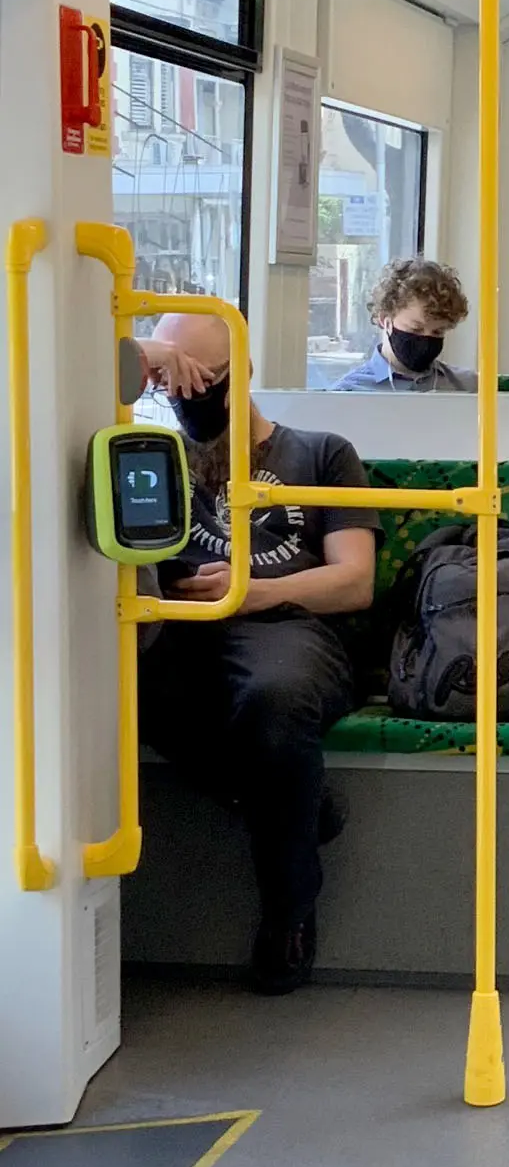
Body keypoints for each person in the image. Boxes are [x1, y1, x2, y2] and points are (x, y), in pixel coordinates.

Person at [137, 314, 381, 994]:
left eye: (203, 379)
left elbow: (353, 579)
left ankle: (288, 911)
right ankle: (293, 807)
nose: (188, 395)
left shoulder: (321, 452)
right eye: (170, 378)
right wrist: (139, 353)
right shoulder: (152, 458)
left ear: (240, 373)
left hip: (288, 625)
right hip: (182, 626)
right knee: (116, 687)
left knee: (275, 700)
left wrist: (254, 590)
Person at [332, 256, 477, 392]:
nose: (426, 341)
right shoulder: (349, 391)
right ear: (385, 319)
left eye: (437, 332)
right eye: (416, 329)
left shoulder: (468, 388)